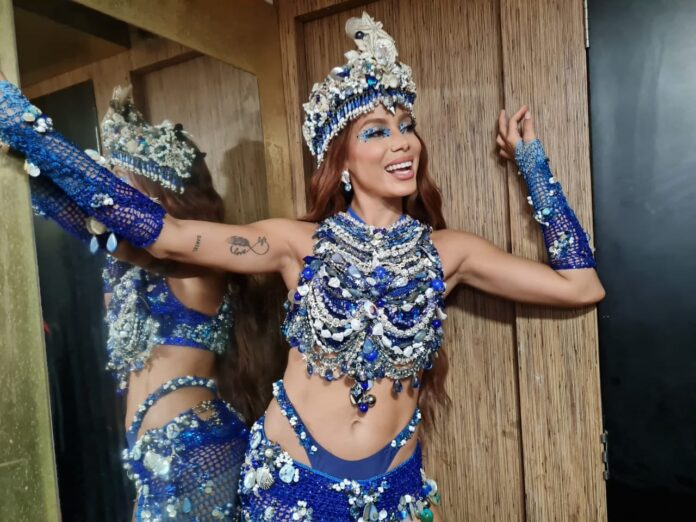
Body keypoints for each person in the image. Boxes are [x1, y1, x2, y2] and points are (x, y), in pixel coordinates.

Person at [0, 12, 604, 521]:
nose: (402, 142)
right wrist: (26, 131)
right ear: (342, 161)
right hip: (292, 488)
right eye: (376, 131)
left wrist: (532, 164)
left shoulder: (449, 253)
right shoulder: (297, 245)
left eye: (406, 127)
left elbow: (581, 285)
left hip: (394, 492)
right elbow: (170, 236)